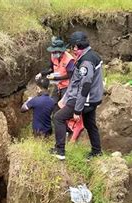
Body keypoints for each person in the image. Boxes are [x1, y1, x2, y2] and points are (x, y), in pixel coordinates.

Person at [51, 31, 103, 161]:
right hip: (93, 97)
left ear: (77, 46)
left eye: (73, 47)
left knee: (58, 118)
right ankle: (97, 151)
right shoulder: (93, 55)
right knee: (90, 124)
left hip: (85, 99)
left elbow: (85, 86)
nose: (73, 50)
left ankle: (60, 151)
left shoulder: (86, 62)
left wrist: (77, 109)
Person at [35, 37, 75, 103]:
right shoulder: (53, 56)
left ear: (61, 51)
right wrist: (41, 74)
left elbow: (70, 75)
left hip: (67, 86)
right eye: (52, 51)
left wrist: (56, 78)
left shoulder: (69, 60)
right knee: (52, 101)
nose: (53, 53)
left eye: (55, 52)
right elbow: (51, 68)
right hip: (57, 84)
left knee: (64, 103)